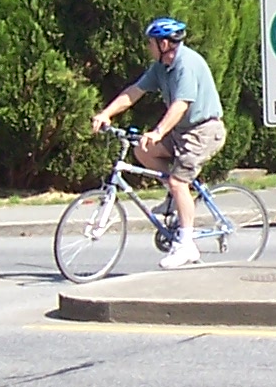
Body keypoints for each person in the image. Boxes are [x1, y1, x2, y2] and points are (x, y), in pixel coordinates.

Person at [91, 18, 227, 268]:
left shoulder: (186, 64)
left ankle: (186, 245)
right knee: (143, 150)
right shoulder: (160, 67)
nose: (148, 47)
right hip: (183, 132)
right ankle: (176, 199)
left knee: (178, 181)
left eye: (150, 42)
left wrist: (158, 131)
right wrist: (106, 114)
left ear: (164, 43)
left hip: (204, 131)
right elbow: (134, 92)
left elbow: (181, 104)